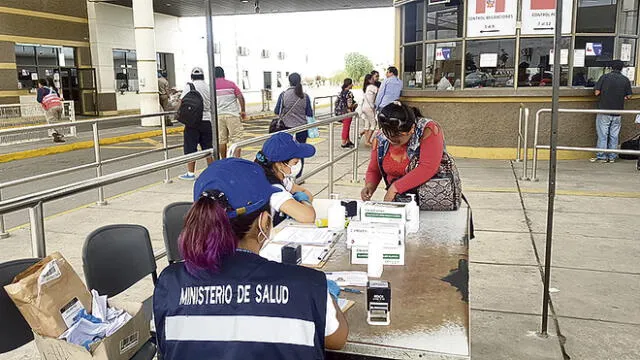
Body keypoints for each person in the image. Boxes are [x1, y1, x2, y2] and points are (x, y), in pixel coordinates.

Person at [153, 158, 349, 359]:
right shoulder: (307, 285)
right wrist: (327, 296)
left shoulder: (169, 283)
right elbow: (337, 339)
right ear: (264, 222)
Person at [361, 101, 445, 202]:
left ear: (411, 129)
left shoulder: (428, 130)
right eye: (388, 135)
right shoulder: (381, 137)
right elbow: (374, 169)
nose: (392, 140)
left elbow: (428, 167)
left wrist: (395, 188)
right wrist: (369, 186)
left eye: (397, 136)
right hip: (398, 200)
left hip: (430, 199)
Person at [255, 132, 316, 226]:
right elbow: (308, 216)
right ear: (279, 164)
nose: (299, 165)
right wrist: (303, 201)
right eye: (295, 162)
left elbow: (306, 192)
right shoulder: (271, 187)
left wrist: (301, 199)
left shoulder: (280, 175)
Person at [591, 60, 632, 163]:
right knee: (614, 135)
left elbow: (596, 92)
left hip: (604, 110)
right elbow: (629, 96)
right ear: (622, 68)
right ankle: (612, 156)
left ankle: (602, 156)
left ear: (611, 67)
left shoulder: (604, 77)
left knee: (603, 135)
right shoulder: (625, 79)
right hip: (618, 112)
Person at [273, 73, 314, 176]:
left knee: (287, 153)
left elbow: (277, 111)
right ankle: (298, 176)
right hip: (302, 129)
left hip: (287, 129)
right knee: (300, 152)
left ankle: (287, 175)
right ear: (299, 81)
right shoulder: (305, 96)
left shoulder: (283, 95)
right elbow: (309, 113)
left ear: (289, 81)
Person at [179, 67, 214, 181]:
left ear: (192, 76)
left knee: (190, 148)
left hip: (192, 121)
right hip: (207, 120)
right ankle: (212, 171)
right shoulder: (209, 87)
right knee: (208, 148)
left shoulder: (189, 87)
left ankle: (190, 173)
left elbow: (181, 102)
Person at [215, 66, 247, 158]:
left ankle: (224, 159)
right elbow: (240, 97)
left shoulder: (212, 86)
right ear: (223, 74)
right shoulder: (231, 84)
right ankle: (237, 158)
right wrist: (243, 110)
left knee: (221, 140)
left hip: (218, 116)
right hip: (232, 115)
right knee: (236, 138)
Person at [36, 79, 65, 143]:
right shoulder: (53, 89)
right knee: (56, 122)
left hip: (51, 107)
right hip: (59, 106)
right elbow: (58, 97)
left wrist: (44, 103)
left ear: (40, 84)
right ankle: (56, 138)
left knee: (52, 122)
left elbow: (39, 99)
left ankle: (60, 134)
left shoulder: (41, 89)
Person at [336, 78, 357, 148]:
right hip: (347, 112)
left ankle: (348, 141)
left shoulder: (341, 92)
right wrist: (355, 105)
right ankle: (343, 142)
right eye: (352, 83)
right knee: (346, 127)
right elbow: (349, 105)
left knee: (346, 126)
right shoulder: (349, 93)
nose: (352, 85)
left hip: (341, 112)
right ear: (349, 84)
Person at [360, 74, 378, 146]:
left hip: (364, 107)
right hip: (369, 108)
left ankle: (366, 140)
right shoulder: (372, 87)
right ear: (369, 80)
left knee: (367, 124)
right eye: (372, 78)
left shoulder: (366, 87)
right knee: (374, 124)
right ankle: (367, 141)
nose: (374, 79)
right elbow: (380, 91)